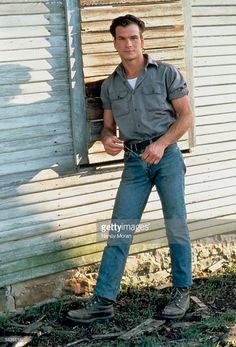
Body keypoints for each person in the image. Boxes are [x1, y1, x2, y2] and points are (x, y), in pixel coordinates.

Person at [67, 14, 194, 323]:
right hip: (135, 163)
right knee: (119, 230)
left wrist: (161, 144)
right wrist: (108, 139)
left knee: (176, 225)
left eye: (133, 37)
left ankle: (181, 292)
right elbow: (108, 128)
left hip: (167, 158)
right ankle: (103, 301)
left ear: (142, 40)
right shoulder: (111, 85)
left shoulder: (165, 73)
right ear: (115, 43)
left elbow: (186, 116)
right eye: (122, 38)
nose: (128, 43)